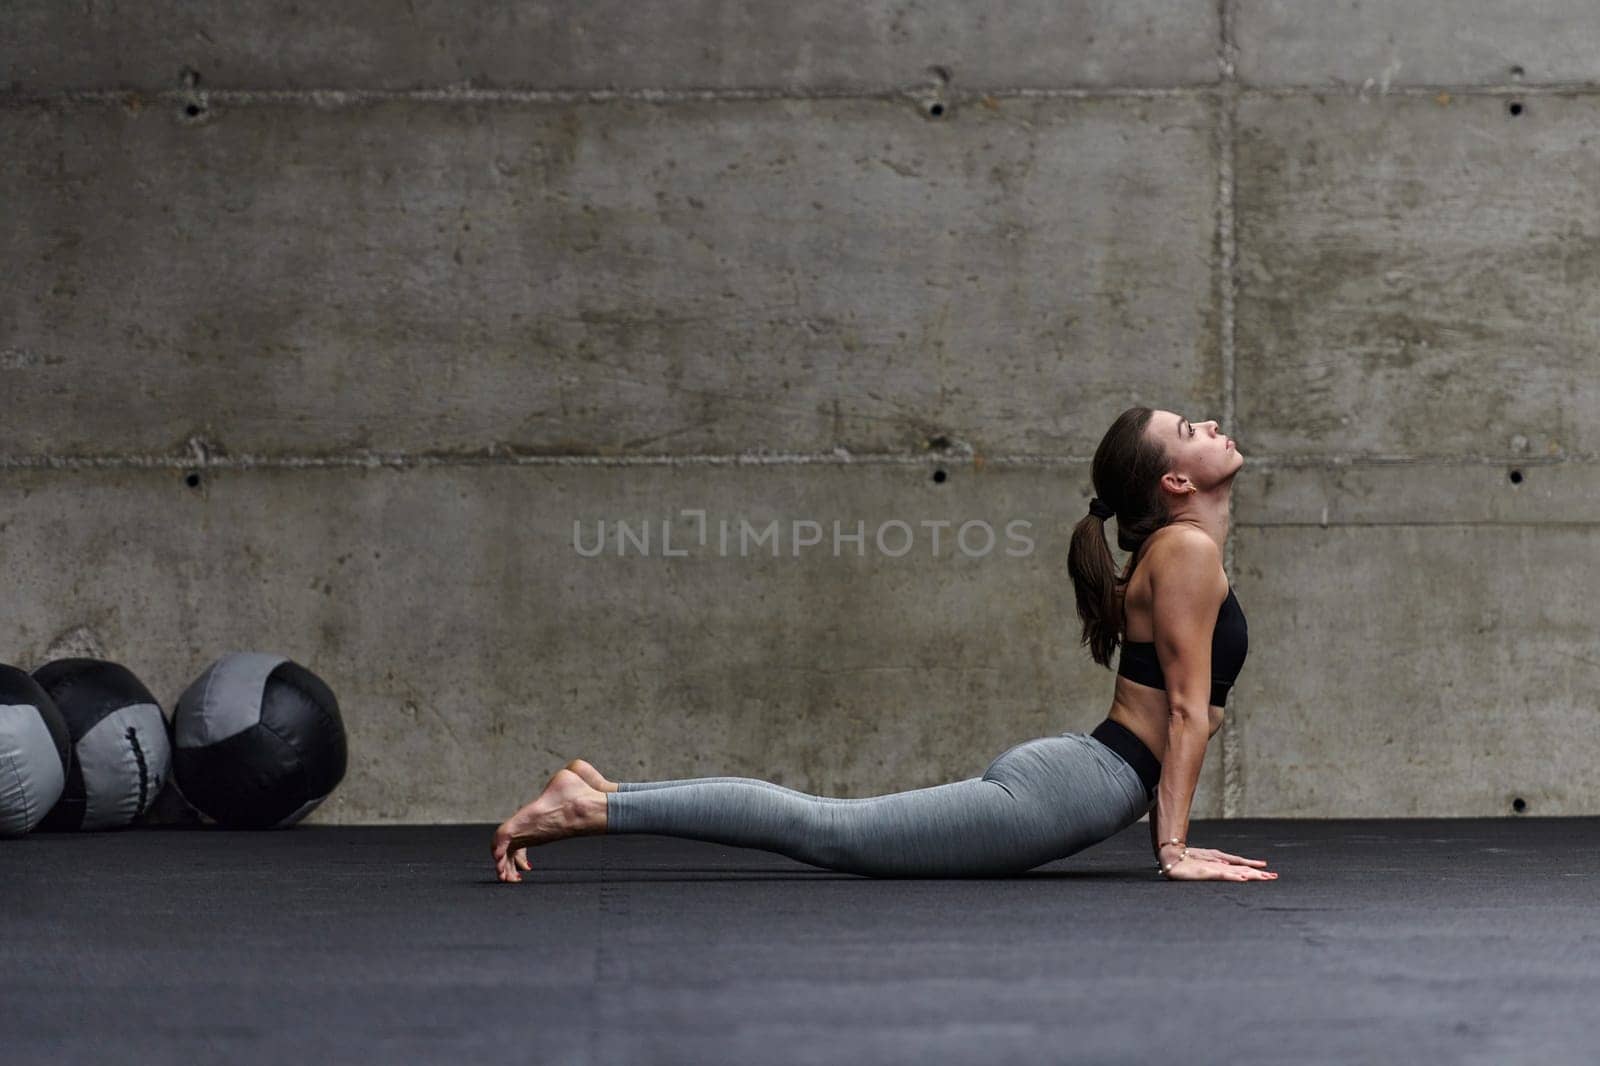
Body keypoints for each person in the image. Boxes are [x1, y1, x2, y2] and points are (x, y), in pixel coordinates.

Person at [492, 407, 1278, 884]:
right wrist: (1172, 847)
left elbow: (1187, 716)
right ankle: (594, 809)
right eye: (1188, 430)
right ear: (1175, 482)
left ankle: (609, 795)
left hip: (1087, 774)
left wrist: (1168, 833)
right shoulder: (1187, 553)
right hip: (1076, 787)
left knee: (833, 827)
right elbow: (1184, 711)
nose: (1208, 425)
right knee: (833, 832)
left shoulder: (1179, 554)